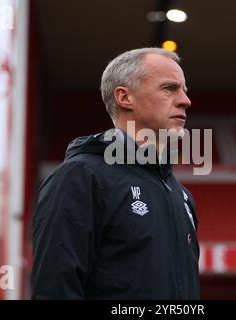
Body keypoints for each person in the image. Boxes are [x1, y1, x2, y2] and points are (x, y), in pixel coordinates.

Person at [31, 48, 200, 299]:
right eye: (169, 88)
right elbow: (55, 290)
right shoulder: (81, 177)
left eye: (184, 90)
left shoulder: (181, 196)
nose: (185, 100)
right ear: (124, 97)